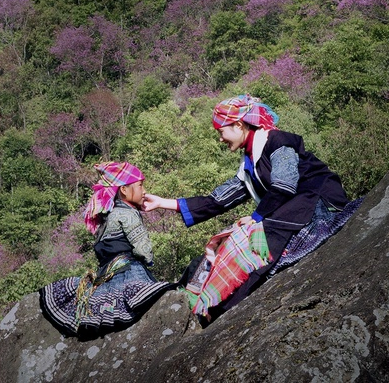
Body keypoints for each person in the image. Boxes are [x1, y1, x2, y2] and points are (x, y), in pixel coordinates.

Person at [143, 95, 349, 322]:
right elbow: (218, 201)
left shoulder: (278, 142)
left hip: (316, 200)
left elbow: (285, 184)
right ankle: (203, 302)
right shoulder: (249, 163)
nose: (220, 139)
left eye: (221, 131)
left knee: (251, 239)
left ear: (239, 125)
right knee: (227, 240)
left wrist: (256, 217)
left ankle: (217, 308)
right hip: (293, 206)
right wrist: (162, 203)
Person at [39, 161, 176, 338]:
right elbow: (143, 250)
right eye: (140, 185)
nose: (144, 191)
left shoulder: (106, 220)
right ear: (124, 190)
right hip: (130, 272)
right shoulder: (128, 214)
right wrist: (149, 262)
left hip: (106, 276)